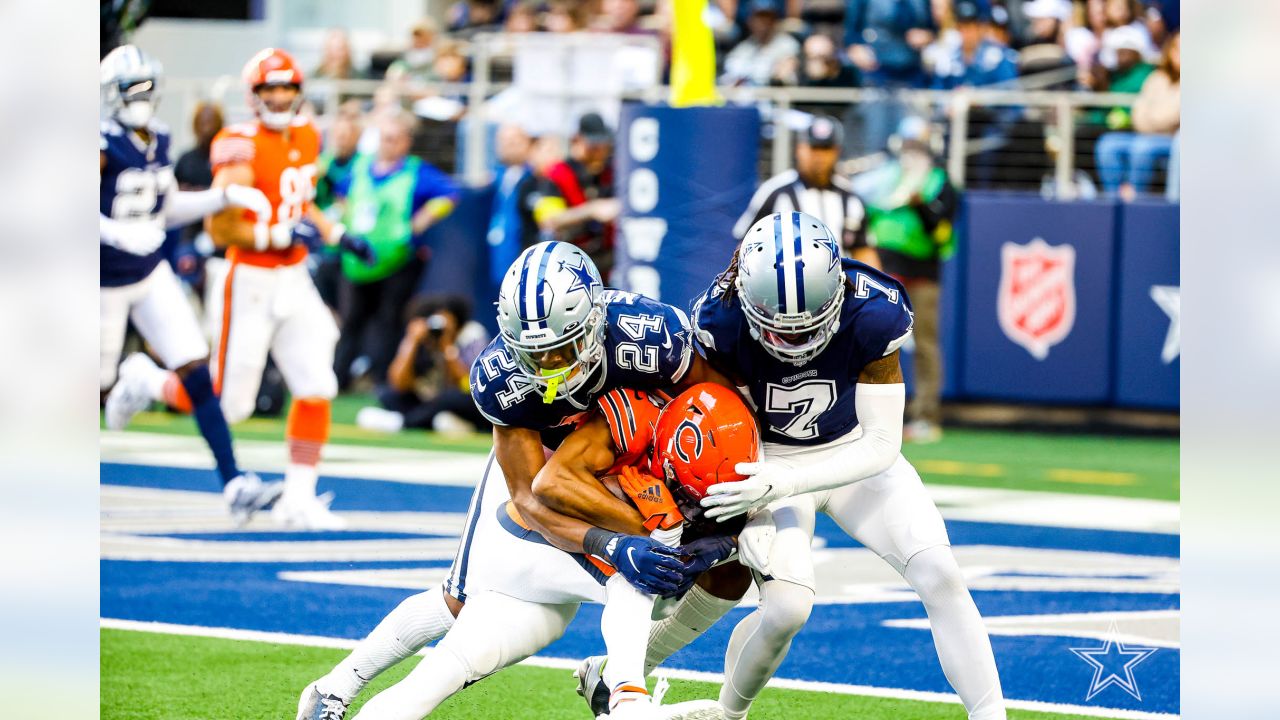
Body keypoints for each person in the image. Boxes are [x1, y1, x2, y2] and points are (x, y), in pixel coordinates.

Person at [295, 241, 747, 720]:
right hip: (542, 465)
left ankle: (624, 687)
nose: (551, 367)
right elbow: (532, 498)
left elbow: (715, 410)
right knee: (458, 599)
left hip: (622, 451)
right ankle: (336, 686)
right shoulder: (502, 377)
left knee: (689, 561)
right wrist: (616, 540)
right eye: (537, 354)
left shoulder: (649, 336)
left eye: (562, 348)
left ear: (593, 322)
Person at [685, 212, 1007, 720]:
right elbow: (730, 427)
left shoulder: (872, 308)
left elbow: (882, 443)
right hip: (769, 460)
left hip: (853, 452)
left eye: (806, 328)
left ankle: (991, 717)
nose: (792, 342)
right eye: (777, 329)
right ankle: (727, 714)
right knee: (787, 609)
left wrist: (788, 479)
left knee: (939, 572)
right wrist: (748, 500)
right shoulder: (721, 323)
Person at [334, 384, 749, 720]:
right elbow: (545, 491)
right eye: (685, 489)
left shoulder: (721, 437)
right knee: (638, 568)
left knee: (436, 678)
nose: (690, 501)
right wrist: (650, 534)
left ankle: (324, 694)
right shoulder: (625, 422)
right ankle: (628, 699)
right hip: (524, 531)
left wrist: (718, 542)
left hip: (545, 583)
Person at [99, 45, 282, 523]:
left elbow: (165, 207)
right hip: (101, 282)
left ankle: (234, 481)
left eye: (145, 87)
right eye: (131, 88)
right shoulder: (98, 144)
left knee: (197, 372)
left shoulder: (157, 139)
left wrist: (221, 196)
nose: (141, 97)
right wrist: (117, 233)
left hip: (148, 272)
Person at [204, 48, 376, 530]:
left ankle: (297, 499)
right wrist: (280, 235)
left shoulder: (305, 134)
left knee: (317, 384)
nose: (279, 97)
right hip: (250, 279)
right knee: (228, 403)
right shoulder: (239, 144)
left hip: (294, 277)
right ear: (253, 95)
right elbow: (222, 231)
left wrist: (339, 235)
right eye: (269, 89)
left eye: (286, 88)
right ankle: (150, 381)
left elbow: (300, 206)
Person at [330, 109, 459, 390]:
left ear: (405, 142)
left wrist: (424, 217)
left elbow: (450, 194)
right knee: (351, 321)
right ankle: (338, 380)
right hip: (356, 260)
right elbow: (340, 193)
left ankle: (382, 381)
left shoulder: (416, 171)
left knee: (388, 323)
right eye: (384, 138)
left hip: (398, 260)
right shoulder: (361, 167)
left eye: (393, 139)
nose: (387, 144)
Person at [853, 117, 959, 442]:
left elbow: (941, 228)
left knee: (925, 344)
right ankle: (858, 415)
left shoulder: (941, 182)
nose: (912, 153)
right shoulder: (885, 177)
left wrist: (921, 207)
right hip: (883, 269)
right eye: (909, 145)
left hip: (923, 271)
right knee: (869, 338)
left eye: (918, 146)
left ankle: (926, 415)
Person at [733, 114, 878, 266]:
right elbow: (744, 246)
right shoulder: (775, 191)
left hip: (842, 285)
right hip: (785, 285)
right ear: (800, 148)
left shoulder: (850, 197)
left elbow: (864, 251)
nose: (819, 156)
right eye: (814, 148)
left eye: (825, 149)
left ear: (836, 151)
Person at [355, 294, 492, 434]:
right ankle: (435, 421)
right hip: (429, 400)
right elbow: (398, 384)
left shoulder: (471, 335)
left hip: (462, 398)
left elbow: (470, 385)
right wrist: (411, 342)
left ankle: (404, 423)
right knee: (388, 395)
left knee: (450, 398)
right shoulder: (420, 339)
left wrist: (447, 347)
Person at [1095, 31, 1179, 200]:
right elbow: (1138, 111)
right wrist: (1151, 121)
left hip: (1172, 141)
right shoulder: (1157, 78)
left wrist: (1150, 120)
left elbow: (1171, 116)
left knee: (1143, 148)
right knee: (1107, 144)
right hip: (1146, 135)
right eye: (1176, 49)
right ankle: (1115, 200)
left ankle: (1135, 201)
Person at [844, 0, 936, 153]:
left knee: (913, 142)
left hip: (912, 78)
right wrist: (857, 49)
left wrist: (925, 36)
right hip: (876, 76)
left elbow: (931, 28)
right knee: (875, 143)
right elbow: (851, 34)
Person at [538, 112, 621, 277]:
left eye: (603, 144)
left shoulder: (611, 172)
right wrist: (592, 210)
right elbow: (548, 219)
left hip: (608, 263)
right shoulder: (558, 173)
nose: (599, 151)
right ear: (577, 140)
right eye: (593, 145)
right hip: (569, 266)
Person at [485, 122, 541, 286]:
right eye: (503, 142)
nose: (508, 147)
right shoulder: (497, 177)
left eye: (513, 142)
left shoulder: (536, 177)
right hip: (501, 257)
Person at [720, 0, 800, 87]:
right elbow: (729, 79)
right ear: (750, 21)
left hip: (774, 95)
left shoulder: (787, 44)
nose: (763, 23)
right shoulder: (743, 48)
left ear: (774, 21)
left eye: (767, 18)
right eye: (758, 18)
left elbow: (785, 77)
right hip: (748, 96)